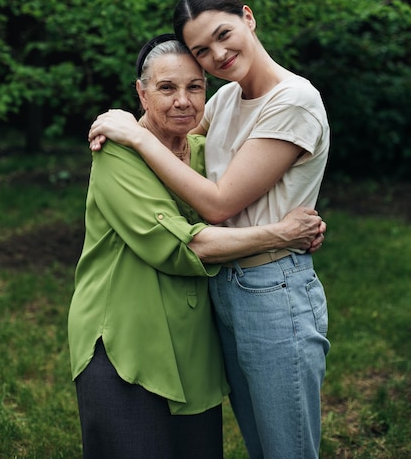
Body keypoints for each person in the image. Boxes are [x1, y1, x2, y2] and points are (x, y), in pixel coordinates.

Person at [72, 35, 325, 459]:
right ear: (142, 91)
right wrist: (282, 234)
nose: (183, 101)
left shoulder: (207, 153)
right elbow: (184, 247)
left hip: (195, 348)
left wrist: (300, 222)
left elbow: (246, 200)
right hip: (125, 338)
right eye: (167, 88)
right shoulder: (117, 152)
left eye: (195, 87)